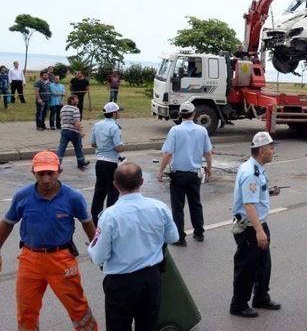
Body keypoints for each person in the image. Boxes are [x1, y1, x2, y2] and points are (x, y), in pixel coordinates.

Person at [0, 151, 98, 331]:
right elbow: (7, 223)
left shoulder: (73, 197)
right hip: (30, 260)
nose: (46, 179)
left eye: (50, 173)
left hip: (62, 260)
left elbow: (87, 224)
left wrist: (98, 250)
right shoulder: (23, 196)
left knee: (78, 309)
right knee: (26, 311)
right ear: (33, 173)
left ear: (59, 171)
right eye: (41, 173)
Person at [88, 163, 179, 330]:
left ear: (115, 185)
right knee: (148, 324)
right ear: (142, 182)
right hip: (152, 278)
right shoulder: (159, 207)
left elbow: (98, 257)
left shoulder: (109, 216)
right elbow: (173, 237)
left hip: (121, 282)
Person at [230, 132, 282, 318]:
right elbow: (249, 204)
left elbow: (255, 194)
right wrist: (259, 232)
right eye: (270, 147)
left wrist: (269, 191)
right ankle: (238, 304)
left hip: (258, 224)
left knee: (263, 264)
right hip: (251, 227)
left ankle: (260, 296)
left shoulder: (256, 167)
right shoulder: (251, 172)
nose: (273, 150)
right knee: (247, 267)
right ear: (262, 150)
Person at [157, 102, 212, 246]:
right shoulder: (202, 130)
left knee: (177, 207)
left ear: (180, 115)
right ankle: (199, 233)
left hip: (178, 175)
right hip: (194, 174)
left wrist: (160, 171)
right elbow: (208, 152)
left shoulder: (175, 131)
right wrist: (209, 168)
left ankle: (180, 238)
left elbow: (168, 153)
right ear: (194, 114)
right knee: (195, 204)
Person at [90, 101, 125, 224]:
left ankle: (95, 220)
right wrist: (123, 146)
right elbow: (118, 147)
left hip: (99, 162)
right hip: (111, 162)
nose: (120, 113)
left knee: (99, 191)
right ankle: (109, 220)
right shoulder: (114, 127)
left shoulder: (97, 124)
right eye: (118, 111)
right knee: (112, 192)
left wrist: (102, 146)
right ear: (114, 113)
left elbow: (93, 143)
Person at [57, 95, 90, 170]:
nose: (78, 100)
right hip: (73, 131)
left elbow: (61, 118)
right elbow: (76, 122)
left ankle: (57, 163)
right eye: (76, 99)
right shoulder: (75, 109)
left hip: (64, 130)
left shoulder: (63, 108)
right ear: (71, 100)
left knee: (62, 147)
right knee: (78, 147)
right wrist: (81, 131)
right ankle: (81, 162)